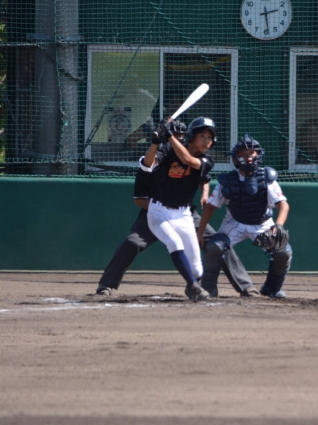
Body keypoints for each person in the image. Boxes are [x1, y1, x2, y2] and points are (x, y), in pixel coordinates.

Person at [96, 120, 257, 298]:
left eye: (181, 136)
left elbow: (202, 176)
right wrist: (165, 211)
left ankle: (245, 286)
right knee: (132, 243)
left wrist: (204, 194)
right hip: (155, 210)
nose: (179, 139)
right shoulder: (164, 153)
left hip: (185, 212)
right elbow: (140, 199)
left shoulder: (204, 158)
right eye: (175, 135)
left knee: (217, 241)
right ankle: (106, 285)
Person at [197, 135, 292, 299]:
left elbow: (283, 205)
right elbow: (210, 206)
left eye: (252, 153)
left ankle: (272, 288)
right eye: (244, 154)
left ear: (258, 155)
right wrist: (200, 232)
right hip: (235, 222)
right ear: (236, 158)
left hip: (262, 223)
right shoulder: (227, 180)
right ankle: (208, 289)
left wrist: (278, 225)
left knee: (283, 252)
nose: (248, 157)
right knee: (214, 247)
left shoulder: (267, 177)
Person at [138, 117, 216, 302]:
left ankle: (192, 284)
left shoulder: (207, 160)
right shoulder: (168, 149)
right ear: (192, 136)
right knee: (173, 242)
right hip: (159, 211)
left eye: (209, 138)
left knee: (196, 270)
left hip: (183, 214)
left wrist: (169, 134)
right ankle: (193, 287)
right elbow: (147, 165)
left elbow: (187, 160)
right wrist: (156, 143)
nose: (206, 141)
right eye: (202, 136)